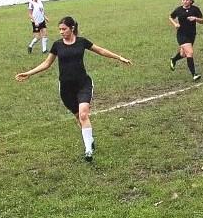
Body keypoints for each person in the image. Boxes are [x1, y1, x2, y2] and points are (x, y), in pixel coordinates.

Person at [15, 16, 131, 162]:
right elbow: (46, 63)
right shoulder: (57, 45)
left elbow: (100, 50)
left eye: (64, 29)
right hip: (66, 88)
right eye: (60, 29)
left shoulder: (82, 42)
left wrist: (119, 58)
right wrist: (29, 73)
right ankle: (90, 140)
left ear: (72, 28)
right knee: (78, 117)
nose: (61, 32)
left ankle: (88, 150)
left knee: (83, 115)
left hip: (83, 84)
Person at [169, 0, 203, 81]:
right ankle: (194, 75)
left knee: (183, 54)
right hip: (181, 34)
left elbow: (202, 21)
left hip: (192, 34)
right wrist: (175, 24)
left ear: (191, 1)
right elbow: (170, 17)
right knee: (190, 53)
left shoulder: (195, 9)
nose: (185, 1)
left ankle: (174, 59)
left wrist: (195, 18)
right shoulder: (178, 10)